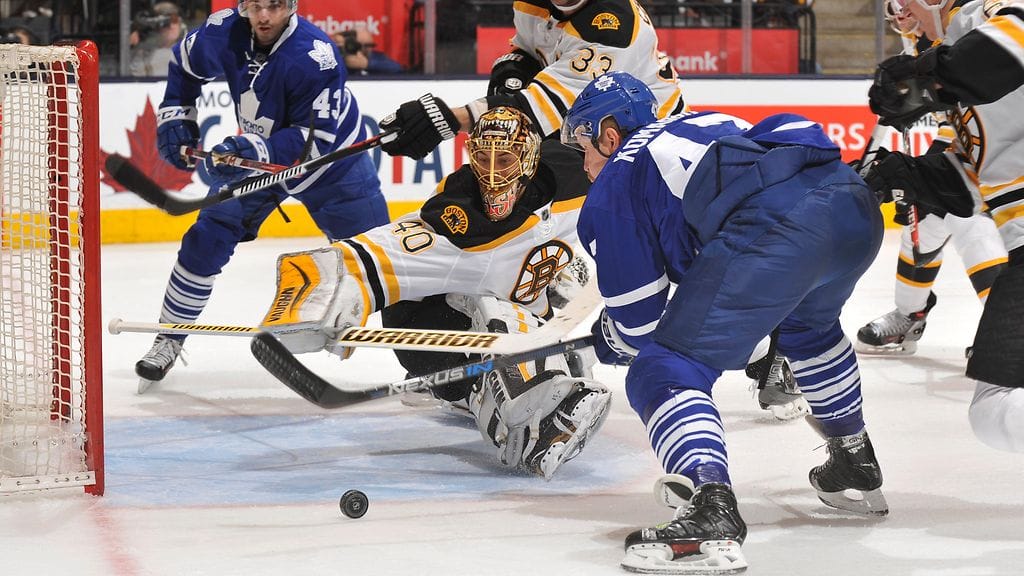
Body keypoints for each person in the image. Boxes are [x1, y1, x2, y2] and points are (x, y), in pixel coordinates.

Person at [562, 72, 888, 573]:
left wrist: (609, 337)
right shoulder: (700, 121)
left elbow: (638, 330)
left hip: (780, 229)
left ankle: (708, 508)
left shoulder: (616, 180)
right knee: (808, 330)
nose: (584, 164)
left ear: (609, 134)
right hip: (851, 202)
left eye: (584, 145)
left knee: (664, 368)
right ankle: (853, 458)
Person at [258, 106, 612, 479]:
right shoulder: (460, 224)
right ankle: (518, 403)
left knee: (531, 365)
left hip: (520, 328)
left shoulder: (578, 178)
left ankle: (508, 406)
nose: (492, 173)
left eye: (504, 158)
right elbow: (352, 260)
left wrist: (561, 270)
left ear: (528, 159)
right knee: (498, 315)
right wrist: (316, 298)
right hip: (434, 330)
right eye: (483, 158)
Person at [134, 0, 389, 388]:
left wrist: (248, 149)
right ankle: (169, 337)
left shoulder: (315, 56)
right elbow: (184, 64)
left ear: (291, 5)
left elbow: (314, 145)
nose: (264, 17)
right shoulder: (224, 31)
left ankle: (433, 355)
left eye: (274, 6)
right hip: (260, 162)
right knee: (206, 237)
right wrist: (176, 113)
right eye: (255, 6)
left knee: (385, 263)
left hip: (336, 168)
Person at [864, 0, 1024, 451]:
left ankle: (911, 310)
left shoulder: (982, 14)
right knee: (993, 414)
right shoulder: (957, 44)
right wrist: (903, 176)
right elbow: (970, 180)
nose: (903, 10)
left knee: (995, 411)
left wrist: (929, 75)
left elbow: (1016, 34)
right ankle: (909, 310)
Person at [854, 7, 1008, 356]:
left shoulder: (976, 20)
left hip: (1003, 158)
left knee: (969, 224)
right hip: (973, 148)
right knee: (923, 218)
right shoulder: (920, 41)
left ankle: (1007, 330)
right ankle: (910, 314)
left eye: (907, 8)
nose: (903, 18)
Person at [376, 0, 687, 161]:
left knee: (542, 157)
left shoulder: (610, 26)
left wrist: (449, 119)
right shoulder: (529, 4)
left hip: (647, 131)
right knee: (506, 84)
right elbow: (528, 52)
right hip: (593, 115)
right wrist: (513, 71)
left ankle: (563, 252)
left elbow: (541, 111)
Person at [128, 1, 186, 77]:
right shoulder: (142, 53)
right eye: (165, 22)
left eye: (174, 20)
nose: (171, 26)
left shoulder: (189, 50)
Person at [334, 27, 403, 75]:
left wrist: (366, 64)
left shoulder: (376, 57)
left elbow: (397, 68)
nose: (368, 49)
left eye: (370, 45)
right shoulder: (339, 57)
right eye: (359, 45)